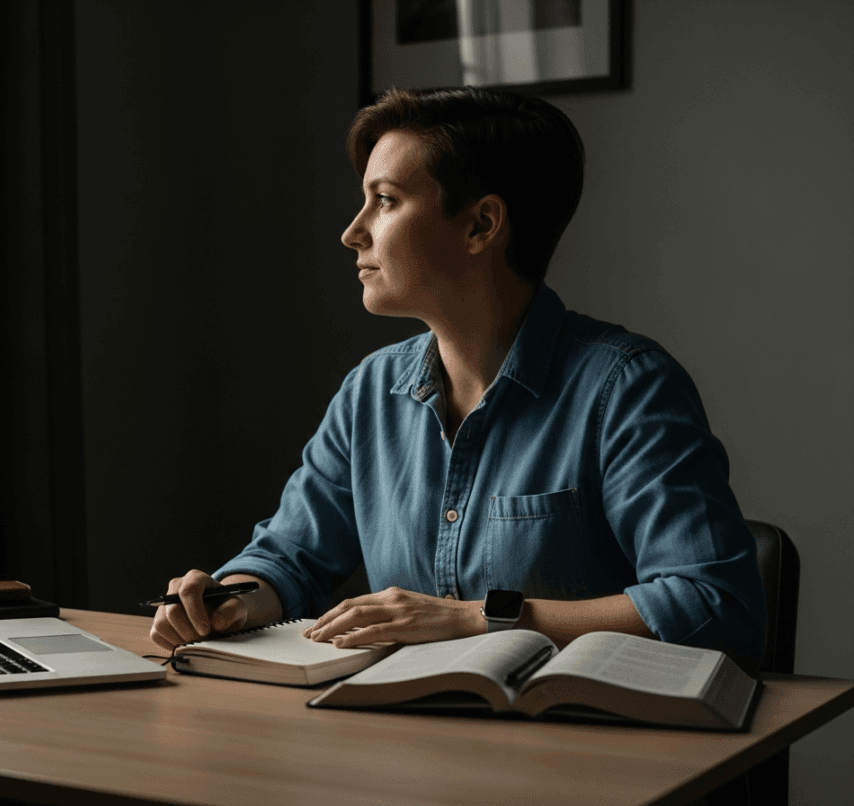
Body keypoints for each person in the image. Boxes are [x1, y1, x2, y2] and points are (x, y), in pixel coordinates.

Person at [149, 87, 766, 671]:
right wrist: (230, 600)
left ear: (481, 225)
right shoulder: (370, 392)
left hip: (583, 754)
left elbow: (717, 605)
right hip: (411, 744)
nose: (353, 231)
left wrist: (479, 618)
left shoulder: (627, 388)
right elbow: (289, 557)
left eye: (385, 200)